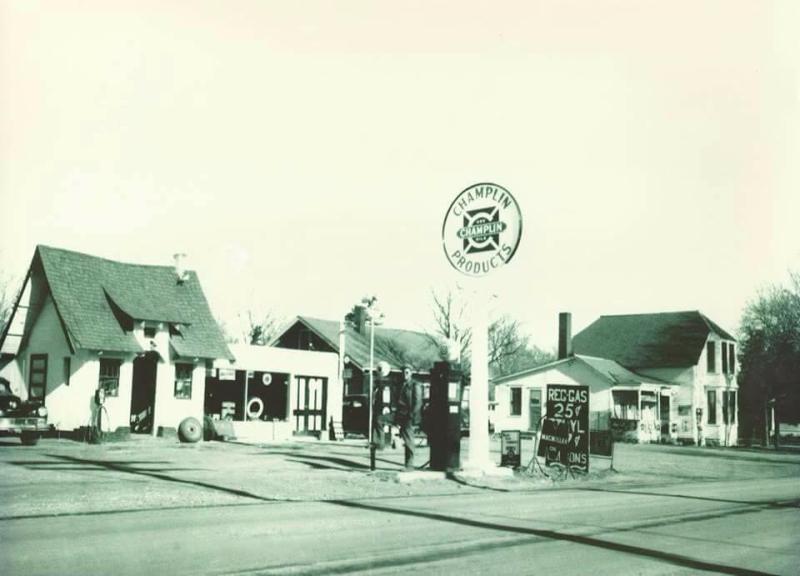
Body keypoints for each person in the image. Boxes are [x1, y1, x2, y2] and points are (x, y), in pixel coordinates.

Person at [372, 363, 422, 470]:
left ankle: (409, 464)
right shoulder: (399, 384)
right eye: (403, 372)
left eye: (407, 372)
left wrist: (411, 415)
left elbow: (418, 402)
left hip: (408, 415)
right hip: (398, 414)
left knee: (408, 439)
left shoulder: (414, 385)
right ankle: (380, 443)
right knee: (379, 419)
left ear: (411, 374)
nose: (405, 375)